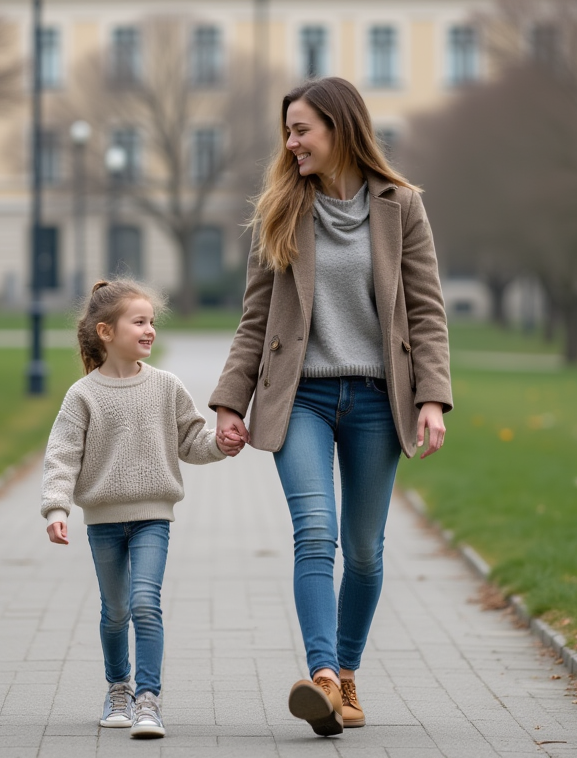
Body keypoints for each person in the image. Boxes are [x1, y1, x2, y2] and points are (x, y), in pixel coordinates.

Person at [210, 77, 453, 736]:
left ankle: (346, 676)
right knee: (316, 534)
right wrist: (232, 401)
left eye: (301, 130)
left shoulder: (402, 207)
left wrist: (432, 395)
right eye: (287, 132)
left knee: (366, 553)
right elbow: (255, 317)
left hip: (378, 400)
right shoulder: (282, 209)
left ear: (340, 129)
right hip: (304, 399)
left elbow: (426, 311)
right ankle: (320, 677)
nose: (290, 145)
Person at [40, 279, 240, 740]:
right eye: (140, 322)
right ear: (106, 332)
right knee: (115, 612)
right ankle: (118, 688)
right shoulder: (83, 395)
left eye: (152, 322)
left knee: (145, 604)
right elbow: (62, 454)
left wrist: (221, 445)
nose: (150, 330)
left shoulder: (167, 386)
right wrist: (56, 509)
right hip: (103, 522)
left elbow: (191, 440)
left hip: (154, 516)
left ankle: (149, 700)